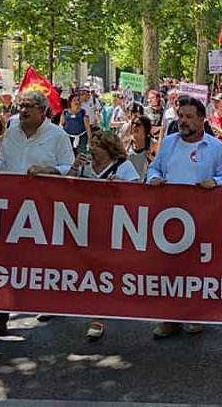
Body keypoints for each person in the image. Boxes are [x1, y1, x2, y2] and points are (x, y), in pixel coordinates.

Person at [0, 90, 75, 332]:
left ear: (43, 110)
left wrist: (50, 170)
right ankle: (0, 313)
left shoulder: (58, 135)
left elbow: (69, 166)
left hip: (45, 207)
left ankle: (48, 302)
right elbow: (4, 161)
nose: (23, 110)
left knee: (43, 257)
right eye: (21, 105)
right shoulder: (12, 133)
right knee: (5, 257)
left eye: (29, 106)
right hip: (12, 204)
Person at [146, 95, 222, 339]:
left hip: (202, 218)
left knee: (197, 269)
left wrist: (216, 182)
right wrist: (153, 179)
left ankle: (196, 315)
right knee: (170, 268)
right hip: (169, 217)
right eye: (181, 116)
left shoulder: (217, 148)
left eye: (189, 117)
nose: (183, 121)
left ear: (202, 119)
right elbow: (154, 168)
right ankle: (170, 319)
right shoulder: (168, 143)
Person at [67, 130, 140, 339]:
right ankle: (68, 308)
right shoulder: (84, 167)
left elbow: (138, 193)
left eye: (98, 145)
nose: (93, 149)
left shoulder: (122, 166)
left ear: (109, 148)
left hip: (114, 227)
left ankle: (101, 315)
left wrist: (121, 188)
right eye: (92, 144)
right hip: (84, 225)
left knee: (105, 271)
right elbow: (63, 189)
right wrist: (73, 167)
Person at [125, 115, 153, 180]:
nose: (134, 126)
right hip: (128, 182)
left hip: (144, 184)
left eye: (138, 124)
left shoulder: (152, 143)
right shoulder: (126, 143)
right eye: (133, 123)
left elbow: (158, 164)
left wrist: (151, 157)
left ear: (146, 127)